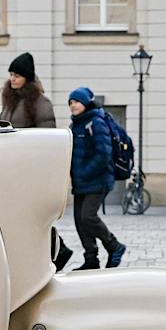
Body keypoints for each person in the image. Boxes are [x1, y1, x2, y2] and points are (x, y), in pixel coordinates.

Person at [3, 52, 75, 269]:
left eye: (17, 75)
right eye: (11, 74)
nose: (12, 79)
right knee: (22, 215)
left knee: (33, 216)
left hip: (31, 168)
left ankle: (57, 251)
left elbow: (46, 136)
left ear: (27, 78)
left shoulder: (40, 103)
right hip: (13, 166)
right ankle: (45, 253)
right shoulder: (10, 100)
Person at [68, 87, 127, 269]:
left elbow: (103, 154)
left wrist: (85, 172)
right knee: (79, 220)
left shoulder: (96, 122)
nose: (73, 105)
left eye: (77, 101)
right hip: (81, 181)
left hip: (98, 179)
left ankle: (114, 246)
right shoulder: (75, 124)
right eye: (70, 102)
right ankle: (91, 259)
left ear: (86, 102)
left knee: (88, 216)